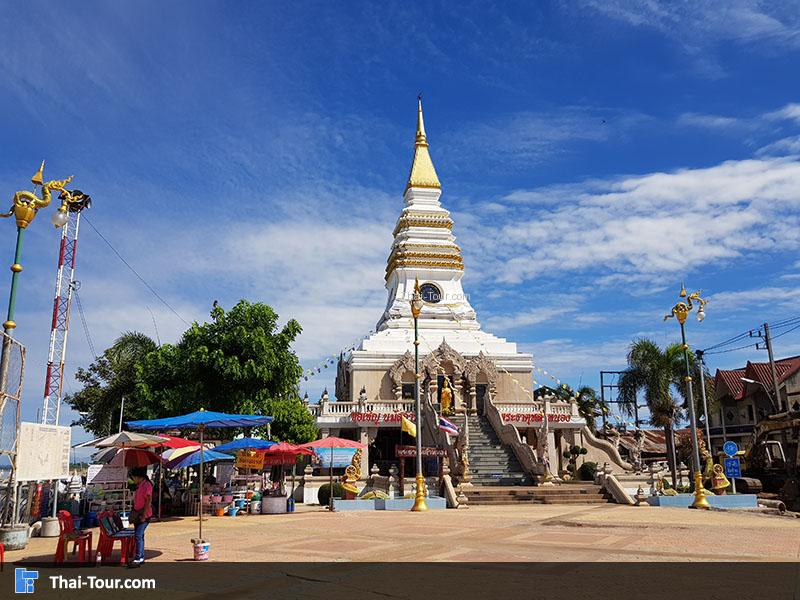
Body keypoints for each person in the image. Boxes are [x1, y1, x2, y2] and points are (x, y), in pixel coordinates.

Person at [129, 467, 153, 568]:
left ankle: (138, 557)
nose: (133, 479)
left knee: (138, 535)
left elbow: (148, 500)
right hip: (138, 514)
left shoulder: (146, 485)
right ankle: (140, 557)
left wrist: (144, 515)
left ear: (138, 477)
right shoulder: (140, 485)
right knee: (140, 536)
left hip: (143, 515)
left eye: (133, 477)